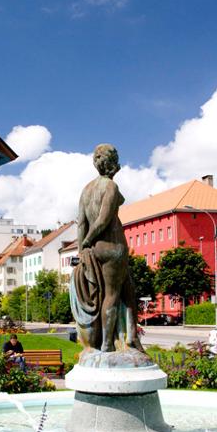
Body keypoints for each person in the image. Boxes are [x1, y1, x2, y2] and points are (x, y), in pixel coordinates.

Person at [72, 144, 145, 356]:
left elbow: (81, 223)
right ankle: (107, 345)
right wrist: (87, 241)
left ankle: (131, 337)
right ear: (111, 161)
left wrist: (82, 249)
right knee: (112, 294)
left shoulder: (86, 190)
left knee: (127, 288)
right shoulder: (110, 187)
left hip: (95, 249)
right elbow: (103, 219)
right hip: (113, 246)